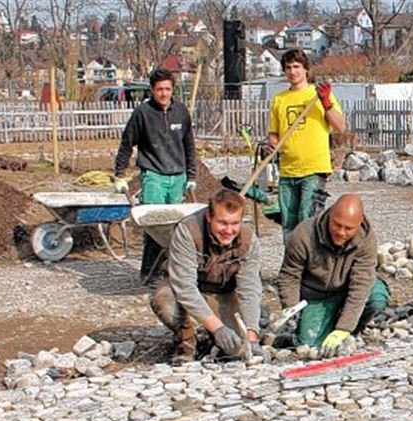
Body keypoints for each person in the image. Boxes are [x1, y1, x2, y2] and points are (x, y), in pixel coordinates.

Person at [149, 189, 262, 361]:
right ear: (209, 217)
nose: (229, 230)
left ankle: (210, 339)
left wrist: (252, 336)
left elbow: (250, 289)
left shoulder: (248, 240)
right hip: (190, 289)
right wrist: (217, 328)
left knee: (235, 349)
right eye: (222, 223)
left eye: (235, 224)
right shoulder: (188, 231)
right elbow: (184, 287)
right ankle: (186, 344)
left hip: (223, 293)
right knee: (165, 299)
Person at [277, 194, 390, 356]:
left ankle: (351, 332)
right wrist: (291, 307)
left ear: (359, 224)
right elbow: (289, 275)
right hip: (314, 296)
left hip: (345, 290)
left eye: (349, 228)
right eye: (337, 225)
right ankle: (313, 328)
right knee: (308, 343)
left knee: (377, 297)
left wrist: (344, 328)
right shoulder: (303, 234)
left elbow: (362, 284)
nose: (341, 232)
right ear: (330, 215)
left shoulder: (367, 240)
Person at [114, 67, 197, 283]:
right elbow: (126, 144)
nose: (164, 94)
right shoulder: (143, 113)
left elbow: (189, 145)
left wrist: (192, 176)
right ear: (152, 90)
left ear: (172, 89)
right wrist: (119, 174)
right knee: (154, 227)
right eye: (159, 89)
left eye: (167, 89)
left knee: (176, 229)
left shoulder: (181, 112)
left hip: (177, 177)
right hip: (154, 177)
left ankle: (172, 272)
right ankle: (149, 273)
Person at [267, 49, 347, 239]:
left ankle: (310, 267)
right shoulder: (279, 99)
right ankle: (291, 266)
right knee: (288, 224)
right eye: (288, 68)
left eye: (296, 67)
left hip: (313, 169)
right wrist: (271, 146)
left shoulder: (317, 95)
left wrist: (327, 103)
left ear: (305, 69)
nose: (292, 71)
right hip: (287, 171)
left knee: (308, 222)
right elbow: (273, 134)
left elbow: (340, 126)